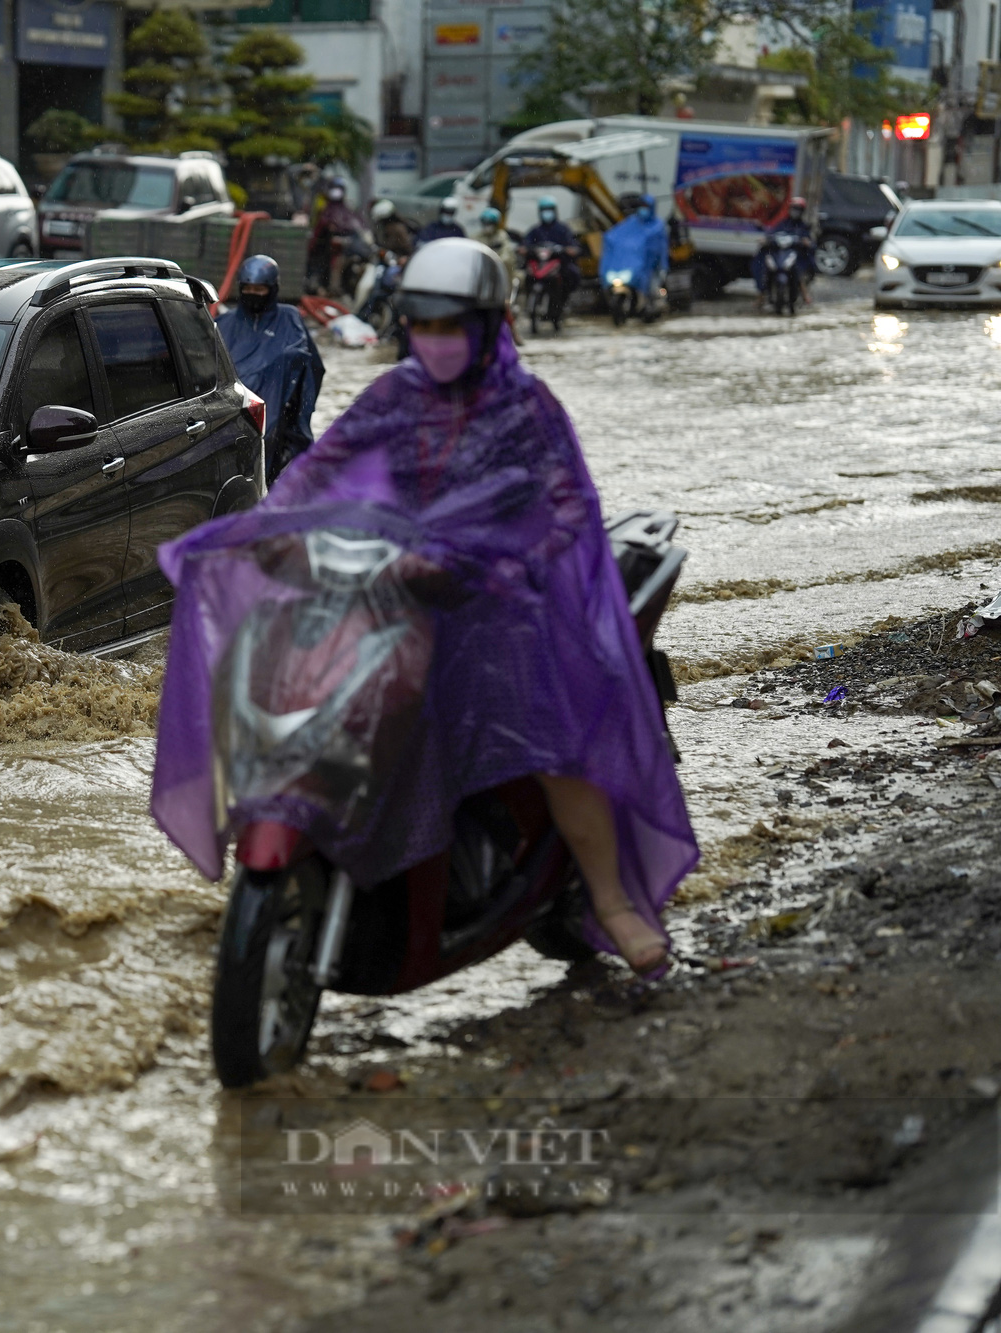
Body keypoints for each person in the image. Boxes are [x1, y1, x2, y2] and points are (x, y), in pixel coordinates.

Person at [153, 238, 695, 976]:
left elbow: (569, 513)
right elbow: (317, 474)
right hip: (396, 601)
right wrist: (267, 532)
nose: (436, 340)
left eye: (452, 325)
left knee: (555, 741)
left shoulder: (526, 407)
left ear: (491, 324)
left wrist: (501, 563)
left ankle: (612, 901)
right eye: (424, 324)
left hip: (505, 610)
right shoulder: (393, 397)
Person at [216, 254, 327, 478]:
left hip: (278, 418)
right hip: (231, 416)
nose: (254, 295)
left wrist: (295, 411)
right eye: (248, 289)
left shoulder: (289, 319)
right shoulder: (224, 325)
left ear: (272, 289)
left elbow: (312, 368)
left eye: (260, 290)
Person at [599, 193, 670, 320]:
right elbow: (615, 235)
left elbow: (660, 248)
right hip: (633, 266)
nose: (643, 209)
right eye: (641, 206)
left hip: (652, 266)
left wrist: (661, 265)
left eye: (646, 206)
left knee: (653, 289)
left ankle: (652, 306)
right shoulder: (632, 222)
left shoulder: (657, 226)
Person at [522, 195, 582, 319]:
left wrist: (570, 249)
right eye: (544, 210)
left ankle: (563, 302)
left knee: (572, 274)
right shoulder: (536, 230)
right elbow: (525, 243)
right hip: (539, 265)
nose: (547, 213)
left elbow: (572, 244)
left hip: (558, 265)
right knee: (525, 276)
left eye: (549, 210)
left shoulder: (562, 229)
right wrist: (523, 249)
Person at [309, 178, 368, 295]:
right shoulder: (326, 209)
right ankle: (332, 288)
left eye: (338, 189)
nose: (336, 192)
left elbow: (358, 225)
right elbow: (320, 228)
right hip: (329, 249)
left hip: (350, 247)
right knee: (334, 266)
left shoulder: (348, 208)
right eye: (334, 189)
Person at [753, 196, 815, 305]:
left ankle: (805, 294)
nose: (795, 211)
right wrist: (766, 239)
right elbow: (772, 233)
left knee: (800, 271)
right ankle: (761, 295)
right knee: (763, 266)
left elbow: (810, 241)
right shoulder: (783, 223)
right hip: (779, 253)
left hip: (795, 255)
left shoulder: (803, 226)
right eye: (793, 208)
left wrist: (807, 243)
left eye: (798, 209)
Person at [473, 205, 516, 275]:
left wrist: (496, 262)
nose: (487, 226)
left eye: (490, 223)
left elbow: (507, 255)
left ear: (495, 224)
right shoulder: (476, 237)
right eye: (485, 223)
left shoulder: (501, 236)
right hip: (480, 271)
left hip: (496, 272)